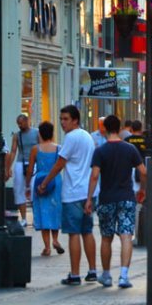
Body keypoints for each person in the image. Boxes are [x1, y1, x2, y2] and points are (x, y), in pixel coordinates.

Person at [37, 105, 98, 286]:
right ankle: (93, 270)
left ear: (75, 120)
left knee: (73, 234)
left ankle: (75, 273)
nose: (62, 123)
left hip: (73, 192)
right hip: (88, 191)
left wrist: (45, 182)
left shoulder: (71, 138)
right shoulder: (87, 136)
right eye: (61, 119)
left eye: (65, 119)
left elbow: (59, 164)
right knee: (87, 232)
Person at [86, 114, 147, 288]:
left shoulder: (100, 151)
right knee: (126, 235)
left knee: (106, 237)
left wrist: (89, 198)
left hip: (107, 198)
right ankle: (124, 275)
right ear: (120, 128)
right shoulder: (130, 149)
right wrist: (142, 189)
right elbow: (143, 171)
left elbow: (95, 176)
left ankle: (106, 275)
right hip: (126, 197)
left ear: (104, 128)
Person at [27, 121, 63, 257]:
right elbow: (60, 165)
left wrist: (27, 184)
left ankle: (47, 247)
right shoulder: (59, 148)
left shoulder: (36, 149)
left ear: (40, 133)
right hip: (55, 181)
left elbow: (30, 168)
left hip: (40, 180)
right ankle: (55, 240)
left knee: (43, 212)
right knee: (55, 210)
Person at [5, 113, 39, 227]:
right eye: (18, 124)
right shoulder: (16, 135)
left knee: (35, 189)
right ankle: (24, 218)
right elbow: (13, 151)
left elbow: (41, 147)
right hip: (21, 162)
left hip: (34, 163)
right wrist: (8, 166)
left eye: (21, 123)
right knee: (19, 190)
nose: (20, 125)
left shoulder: (36, 133)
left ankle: (36, 218)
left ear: (27, 121)